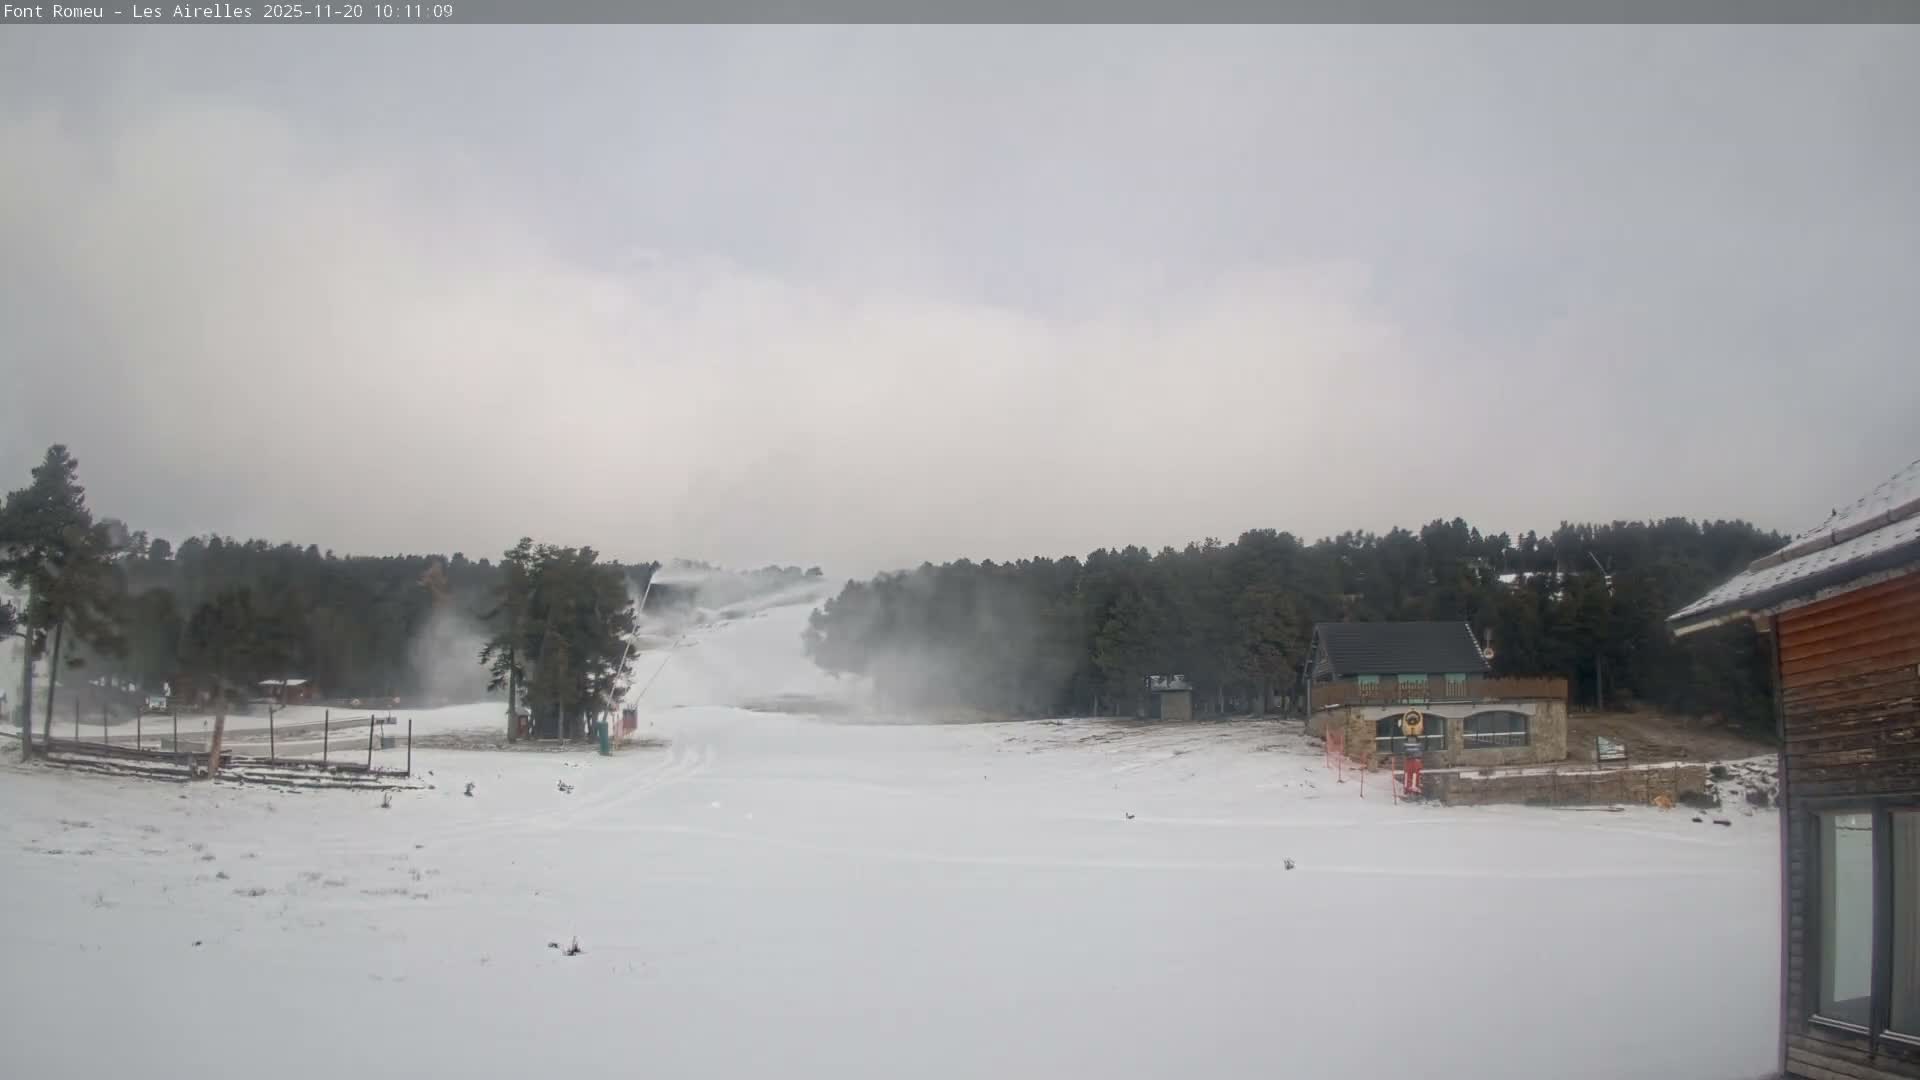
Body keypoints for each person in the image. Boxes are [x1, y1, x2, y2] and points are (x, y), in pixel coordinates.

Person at [1399, 709, 1426, 796]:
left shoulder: (1407, 741)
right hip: (1415, 759)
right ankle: (1412, 787)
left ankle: (1410, 787)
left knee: (1410, 773)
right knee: (1413, 773)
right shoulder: (1417, 741)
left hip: (1411, 759)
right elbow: (1420, 747)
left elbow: (1405, 748)